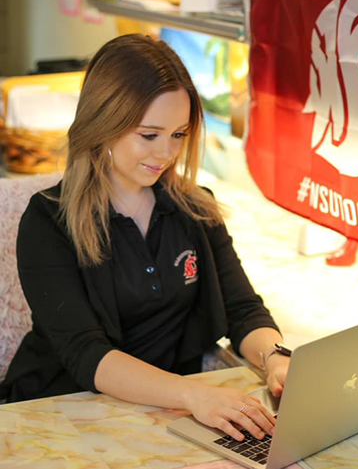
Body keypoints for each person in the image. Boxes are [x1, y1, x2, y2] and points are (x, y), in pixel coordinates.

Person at [2, 35, 291, 443]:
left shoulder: (196, 210)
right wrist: (194, 395)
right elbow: (87, 356)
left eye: (178, 134)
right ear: (103, 125)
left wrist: (278, 359)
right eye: (149, 135)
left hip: (157, 417)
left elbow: (244, 310)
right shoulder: (49, 221)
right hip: (59, 413)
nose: (166, 153)